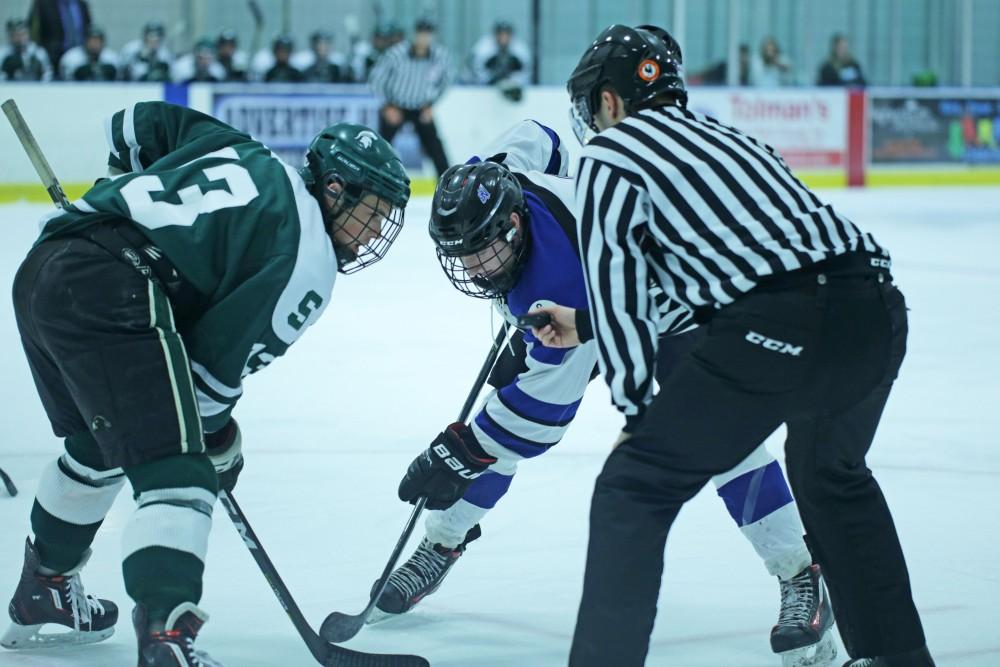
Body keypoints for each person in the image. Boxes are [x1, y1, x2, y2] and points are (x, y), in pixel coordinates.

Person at [378, 119, 836, 665]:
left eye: (484, 251)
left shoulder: (557, 280)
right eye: (461, 253)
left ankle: (798, 573)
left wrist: (464, 450)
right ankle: (442, 541)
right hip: (598, 305)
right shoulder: (501, 182)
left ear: (514, 224)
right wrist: (473, 444)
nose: (474, 269)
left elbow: (541, 417)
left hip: (673, 310)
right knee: (488, 431)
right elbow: (537, 136)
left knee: (720, 440)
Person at [559, 24, 932, 666]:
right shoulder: (738, 140)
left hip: (785, 324)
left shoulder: (610, 156)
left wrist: (634, 410)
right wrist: (584, 324)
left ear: (610, 103)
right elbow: (731, 269)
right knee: (829, 477)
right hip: (875, 311)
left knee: (633, 488)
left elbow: (621, 283)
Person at [0, 102, 409, 666]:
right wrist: (215, 445)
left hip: (46, 269)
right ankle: (167, 639)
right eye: (374, 213)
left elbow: (131, 124)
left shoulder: (241, 147)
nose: (371, 237)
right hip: (115, 290)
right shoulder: (309, 255)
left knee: (100, 447)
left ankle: (44, 588)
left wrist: (120, 192)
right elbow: (207, 380)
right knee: (179, 468)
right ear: (335, 189)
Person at [369, 17, 452, 176]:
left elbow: (446, 81)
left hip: (421, 107)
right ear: (414, 34)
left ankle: (447, 182)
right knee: (380, 148)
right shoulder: (396, 54)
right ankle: (369, 179)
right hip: (395, 106)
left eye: (428, 34)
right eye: (421, 33)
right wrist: (387, 106)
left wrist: (431, 103)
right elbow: (376, 80)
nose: (424, 38)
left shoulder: (440, 55)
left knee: (435, 147)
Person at [467, 21, 532, 101]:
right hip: (484, 87)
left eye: (506, 35)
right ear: (495, 35)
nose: (503, 38)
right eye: (500, 34)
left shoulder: (520, 49)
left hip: (512, 84)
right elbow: (476, 71)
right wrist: (492, 78)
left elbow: (525, 73)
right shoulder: (483, 48)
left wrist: (511, 80)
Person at [27, 0, 90, 75]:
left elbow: (88, 29)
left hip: (80, 58)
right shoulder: (43, 4)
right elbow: (33, 31)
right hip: (53, 58)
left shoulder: (82, 4)